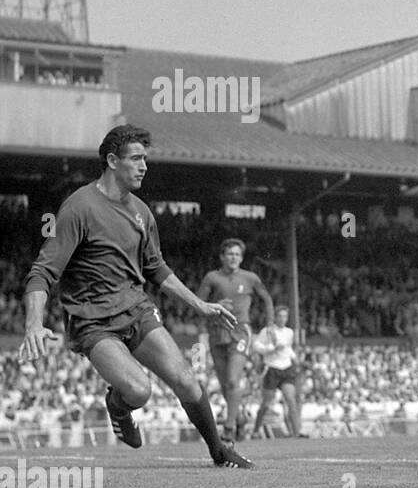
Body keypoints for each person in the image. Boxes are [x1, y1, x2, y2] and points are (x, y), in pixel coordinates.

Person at [19, 124, 253, 468]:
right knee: (140, 390)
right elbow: (43, 270)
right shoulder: (79, 207)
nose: (144, 166)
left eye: (146, 159)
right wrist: (33, 324)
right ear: (113, 161)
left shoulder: (141, 212)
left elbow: (156, 268)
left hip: (138, 310)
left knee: (187, 381)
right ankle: (118, 406)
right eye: (137, 159)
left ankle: (219, 450)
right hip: (93, 321)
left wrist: (200, 305)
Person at [196, 238, 274, 442]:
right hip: (217, 332)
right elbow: (197, 304)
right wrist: (213, 305)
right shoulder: (211, 277)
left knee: (233, 380)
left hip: (240, 331)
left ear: (242, 257)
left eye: (237, 254)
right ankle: (238, 418)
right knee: (224, 385)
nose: (234, 258)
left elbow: (266, 298)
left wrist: (270, 323)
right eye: (230, 254)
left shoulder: (250, 278)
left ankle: (228, 429)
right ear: (222, 256)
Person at [250, 305, 303, 439]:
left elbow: (287, 348)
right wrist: (270, 348)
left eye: (285, 316)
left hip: (286, 368)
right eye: (280, 316)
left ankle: (296, 432)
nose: (282, 319)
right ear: (275, 317)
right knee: (266, 403)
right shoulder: (267, 331)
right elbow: (256, 346)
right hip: (272, 368)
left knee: (291, 399)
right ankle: (256, 430)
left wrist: (294, 357)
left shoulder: (289, 332)